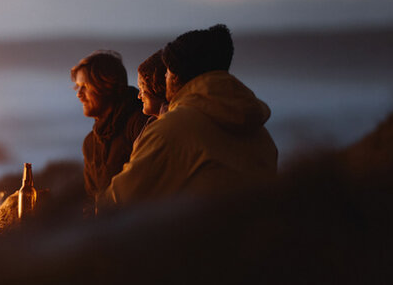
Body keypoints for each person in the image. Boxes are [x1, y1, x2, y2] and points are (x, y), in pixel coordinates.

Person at [104, 24, 277, 207]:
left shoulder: (172, 130)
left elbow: (119, 199)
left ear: (175, 76)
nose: (165, 78)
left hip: (199, 233)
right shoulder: (261, 134)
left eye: (168, 72)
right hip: (259, 232)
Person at [72, 50, 149, 215]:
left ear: (108, 84)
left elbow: (146, 184)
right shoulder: (90, 143)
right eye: (77, 87)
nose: (79, 94)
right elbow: (92, 199)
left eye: (85, 86)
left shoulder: (140, 123)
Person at [136, 49, 169, 130]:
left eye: (141, 88)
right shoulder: (151, 123)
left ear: (156, 86)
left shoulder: (167, 126)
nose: (139, 96)